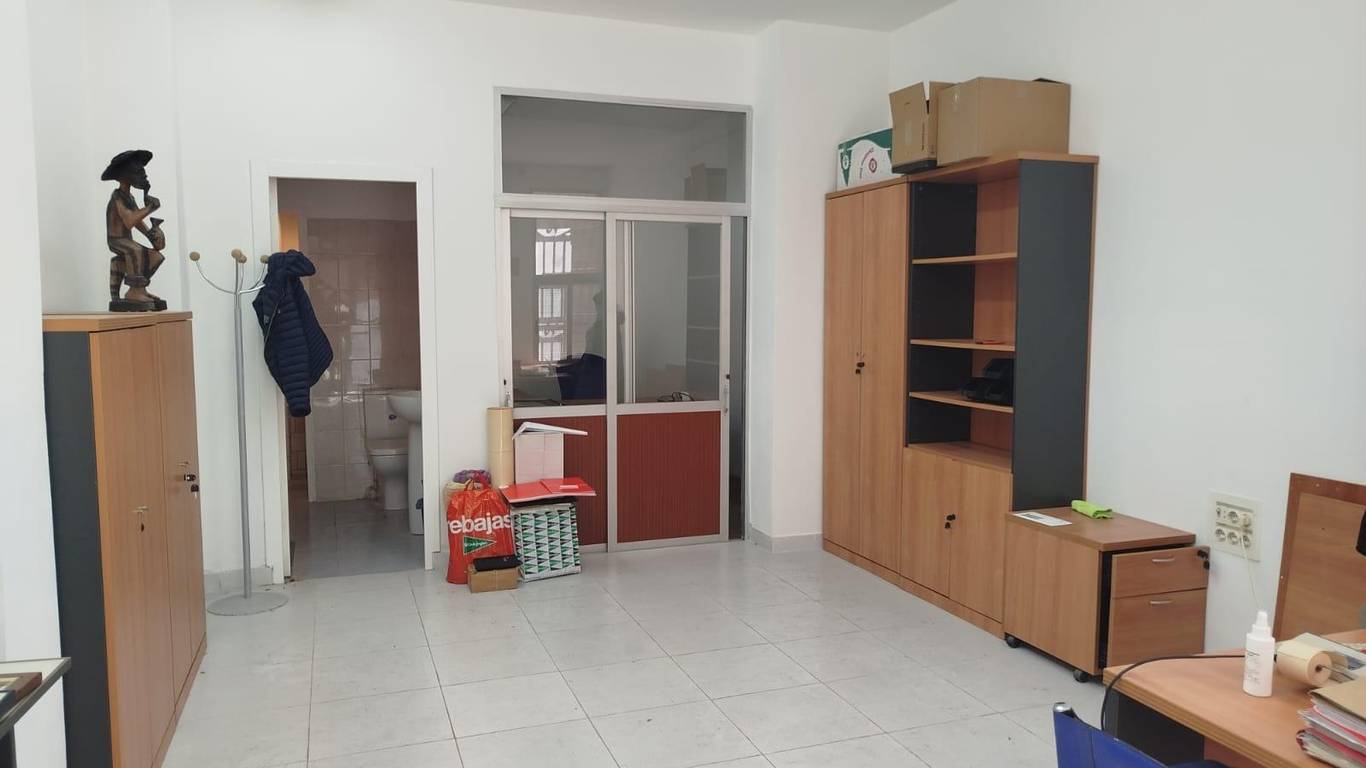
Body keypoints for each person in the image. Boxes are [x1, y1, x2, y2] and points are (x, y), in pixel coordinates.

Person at [102, 149, 166, 310]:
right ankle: (133, 291)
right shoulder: (117, 196)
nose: (142, 175)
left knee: (155, 256)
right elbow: (130, 220)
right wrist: (150, 208)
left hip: (126, 240)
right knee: (135, 250)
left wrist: (150, 235)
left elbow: (137, 221)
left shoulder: (129, 197)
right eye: (137, 172)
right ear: (125, 175)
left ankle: (140, 289)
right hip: (116, 240)